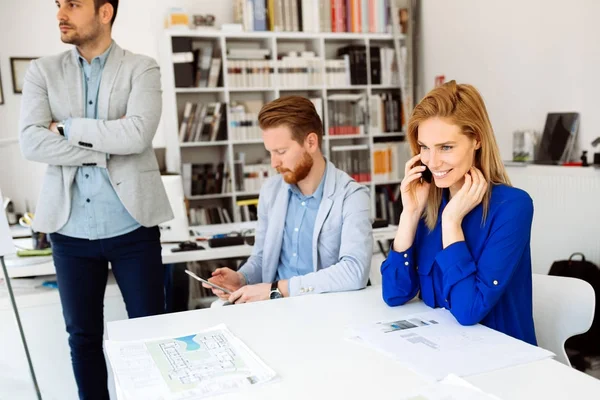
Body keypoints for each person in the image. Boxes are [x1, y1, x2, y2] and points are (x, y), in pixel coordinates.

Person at [18, 1, 173, 398]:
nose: (60, 14)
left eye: (73, 4)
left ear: (105, 12)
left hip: (133, 227)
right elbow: (32, 142)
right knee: (83, 339)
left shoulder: (143, 68)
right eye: (58, 5)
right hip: (69, 232)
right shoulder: (42, 71)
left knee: (149, 333)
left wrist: (66, 128)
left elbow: (137, 137)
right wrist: (108, 143)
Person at [381, 81, 537, 345]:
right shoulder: (427, 199)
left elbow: (468, 311)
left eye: (446, 147)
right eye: (424, 147)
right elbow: (395, 294)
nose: (432, 161)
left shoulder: (512, 207)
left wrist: (451, 222)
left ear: (476, 139)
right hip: (444, 350)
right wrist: (409, 214)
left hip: (501, 359)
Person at [203, 96, 373, 303]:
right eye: (270, 153)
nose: (274, 162)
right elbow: (262, 258)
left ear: (311, 142)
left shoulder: (352, 196)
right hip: (274, 308)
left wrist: (277, 289)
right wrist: (241, 278)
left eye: (281, 152)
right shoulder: (271, 191)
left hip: (325, 308)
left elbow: (354, 271)